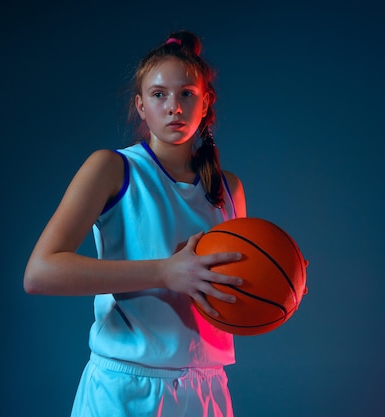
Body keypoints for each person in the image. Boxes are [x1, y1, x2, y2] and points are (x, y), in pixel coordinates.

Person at [24, 30, 247, 417]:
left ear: (205, 102)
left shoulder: (228, 187)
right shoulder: (112, 168)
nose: (174, 107)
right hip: (125, 388)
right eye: (159, 95)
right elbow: (40, 273)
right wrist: (164, 272)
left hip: (207, 388)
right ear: (141, 106)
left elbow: (232, 290)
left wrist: (280, 284)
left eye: (186, 94)